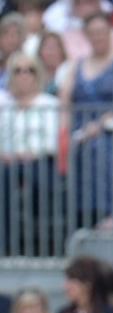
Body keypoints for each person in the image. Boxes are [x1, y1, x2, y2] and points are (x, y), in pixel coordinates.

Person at [58, 10, 113, 227]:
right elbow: (64, 101)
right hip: (79, 134)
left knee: (101, 149)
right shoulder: (77, 64)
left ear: (110, 32)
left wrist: (99, 124)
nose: (98, 37)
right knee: (73, 153)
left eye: (102, 31)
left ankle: (109, 214)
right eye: (93, 32)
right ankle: (79, 219)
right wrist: (65, 132)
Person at [0, 51, 60, 256]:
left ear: (37, 74)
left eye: (29, 70)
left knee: (6, 175)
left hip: (40, 163)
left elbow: (51, 144)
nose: (24, 75)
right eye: (18, 71)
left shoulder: (49, 104)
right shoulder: (5, 106)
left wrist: (20, 156)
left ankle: (6, 244)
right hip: (8, 163)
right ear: (11, 76)